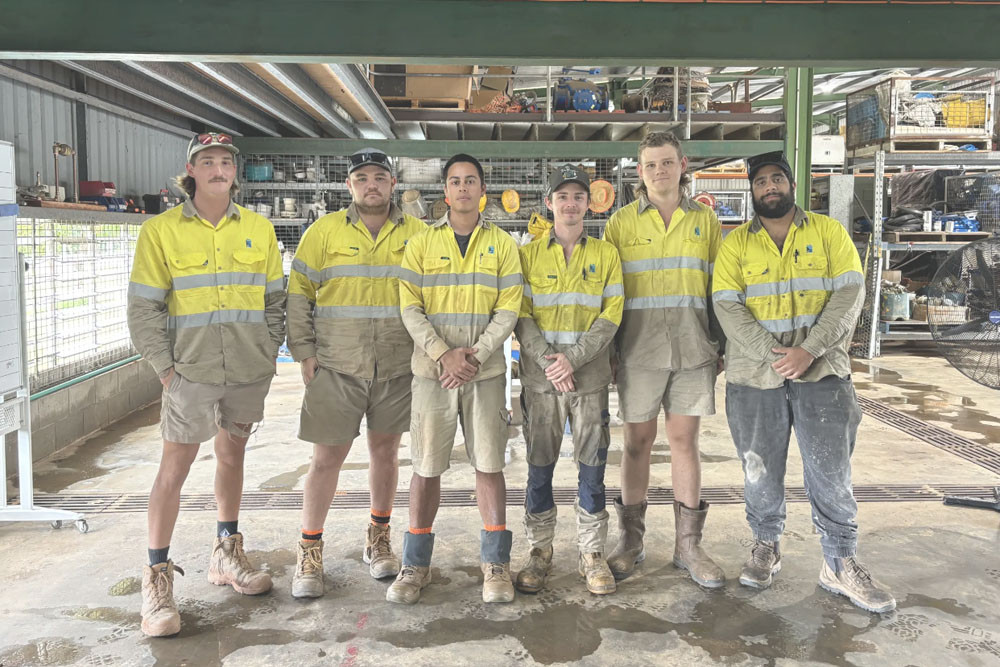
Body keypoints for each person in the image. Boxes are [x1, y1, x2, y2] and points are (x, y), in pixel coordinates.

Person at [712, 150, 895, 613]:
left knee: (830, 472)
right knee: (758, 469)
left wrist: (809, 350)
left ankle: (838, 561)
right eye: (761, 182)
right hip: (755, 376)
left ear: (793, 185)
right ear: (752, 191)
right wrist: (776, 356)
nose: (769, 187)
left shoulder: (828, 233)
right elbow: (727, 307)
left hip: (824, 374)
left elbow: (849, 295)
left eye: (777, 179)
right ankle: (765, 545)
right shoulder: (734, 245)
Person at [127, 132, 285, 636]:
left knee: (233, 455)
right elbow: (144, 307)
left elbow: (276, 301)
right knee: (175, 465)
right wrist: (166, 368)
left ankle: (226, 552)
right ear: (190, 171)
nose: (218, 169)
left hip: (245, 370)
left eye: (226, 162)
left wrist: (266, 350)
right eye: (208, 162)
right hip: (189, 373)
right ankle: (156, 578)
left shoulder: (259, 230)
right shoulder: (161, 232)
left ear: (235, 171)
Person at [285, 148, 426, 598]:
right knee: (326, 460)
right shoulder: (322, 233)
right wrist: (303, 351)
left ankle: (378, 539)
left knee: (386, 454)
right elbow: (298, 295)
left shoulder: (419, 234)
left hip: (396, 366)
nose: (371, 185)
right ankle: (309, 551)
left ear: (393, 184)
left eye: (380, 177)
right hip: (336, 367)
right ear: (349, 186)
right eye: (362, 177)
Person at [390, 153, 523, 604]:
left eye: (471, 181)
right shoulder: (421, 244)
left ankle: (496, 565)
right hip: (432, 375)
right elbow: (409, 305)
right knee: (425, 468)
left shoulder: (503, 245)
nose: (463, 188)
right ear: (444, 192)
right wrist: (443, 354)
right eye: (455, 181)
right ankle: (415, 565)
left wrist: (477, 355)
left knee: (489, 465)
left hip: (484, 376)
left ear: (482, 190)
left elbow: (508, 308)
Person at [601, 131, 726, 588]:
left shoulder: (706, 223)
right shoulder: (620, 225)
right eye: (651, 164)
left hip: (694, 349)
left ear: (683, 165)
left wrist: (721, 344)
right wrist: (611, 351)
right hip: (638, 351)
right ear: (640, 171)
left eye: (667, 162)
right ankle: (630, 542)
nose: (659, 171)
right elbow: (609, 295)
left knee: (683, 441)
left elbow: (720, 288)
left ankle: (688, 546)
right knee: (636, 443)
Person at [513, 165, 624, 596]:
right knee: (540, 468)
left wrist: (572, 360)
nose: (571, 204)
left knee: (592, 469)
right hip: (541, 385)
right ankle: (539, 552)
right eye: (563, 197)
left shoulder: (607, 254)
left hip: (589, 380)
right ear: (549, 203)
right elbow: (520, 315)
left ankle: (591, 554)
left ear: (588, 203)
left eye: (578, 196)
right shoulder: (528, 255)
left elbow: (611, 315)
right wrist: (547, 361)